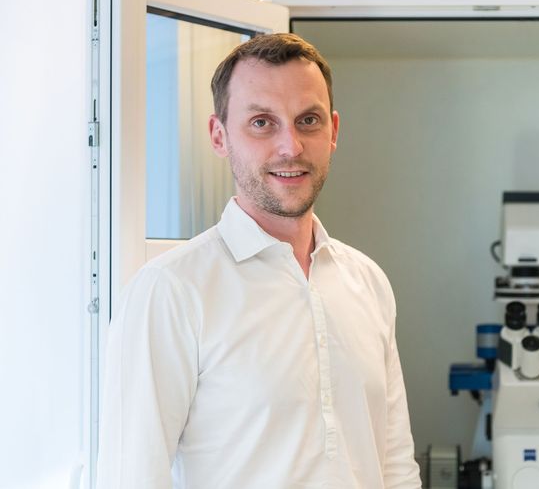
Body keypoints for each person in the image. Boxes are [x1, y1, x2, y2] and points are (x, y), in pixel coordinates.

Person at [97, 33, 422, 489]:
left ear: (333, 131)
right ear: (219, 135)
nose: (291, 146)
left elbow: (396, 468)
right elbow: (131, 477)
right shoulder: (170, 291)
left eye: (308, 120)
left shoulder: (367, 281)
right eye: (262, 123)